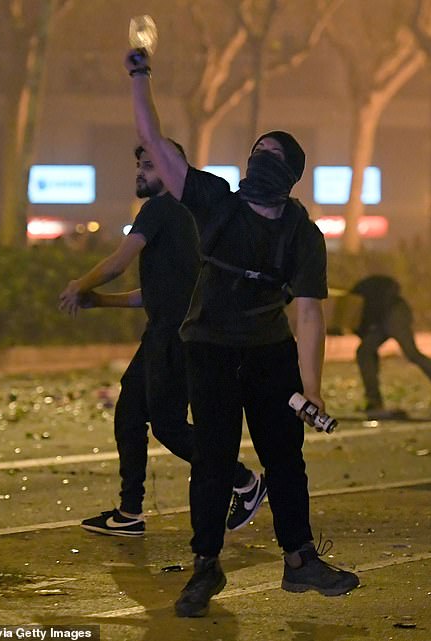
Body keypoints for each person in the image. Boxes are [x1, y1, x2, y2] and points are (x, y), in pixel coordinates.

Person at [125, 48, 359, 617]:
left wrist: (311, 389)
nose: (259, 161)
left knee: (287, 458)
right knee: (212, 459)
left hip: (268, 353)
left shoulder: (304, 234)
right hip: (209, 349)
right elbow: (156, 143)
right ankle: (205, 566)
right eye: (256, 153)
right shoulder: (215, 203)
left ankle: (300, 561)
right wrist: (139, 78)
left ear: (288, 174)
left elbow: (307, 314)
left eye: (270, 156)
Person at [58, 142, 264, 538]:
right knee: (130, 413)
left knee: (168, 426)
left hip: (173, 337)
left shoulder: (158, 209)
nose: (140, 171)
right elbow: (155, 294)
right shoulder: (193, 215)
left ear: (173, 171)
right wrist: (99, 301)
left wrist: (79, 284)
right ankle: (130, 511)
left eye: (150, 165)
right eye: (138, 163)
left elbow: (118, 263)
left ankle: (243, 480)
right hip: (174, 333)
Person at [349, 275, 431, 419]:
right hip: (387, 315)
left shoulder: (353, 304)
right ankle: (373, 400)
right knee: (364, 352)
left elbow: (380, 302)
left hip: (394, 312)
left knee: (412, 353)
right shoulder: (355, 303)